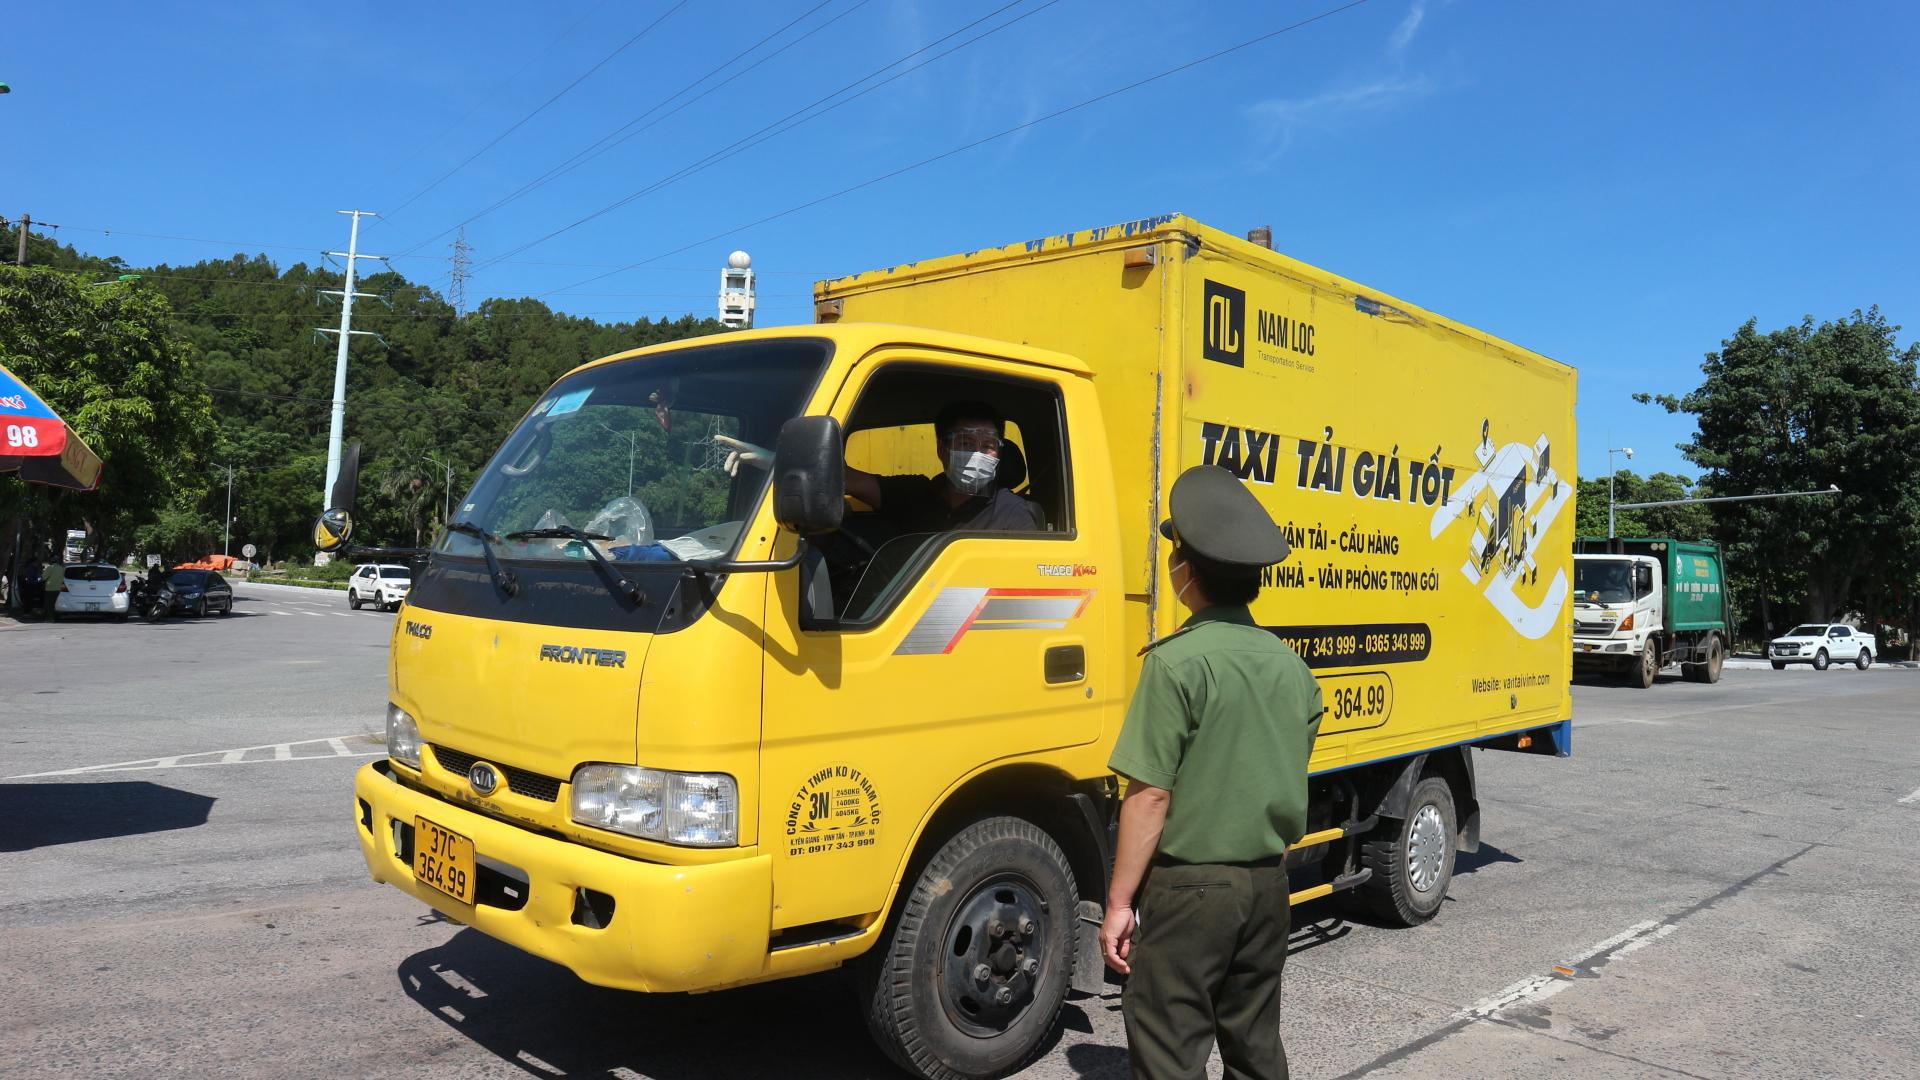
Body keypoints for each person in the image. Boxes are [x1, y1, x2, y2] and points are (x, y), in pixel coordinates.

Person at [1099, 465, 1323, 1080]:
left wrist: (1119, 904)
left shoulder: (1176, 664)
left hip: (1190, 890)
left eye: (1176, 556)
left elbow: (1149, 795)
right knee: (1255, 1046)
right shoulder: (1292, 668)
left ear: (1188, 572)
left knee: (1170, 1047)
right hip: (1267, 886)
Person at [843, 401, 1045, 533]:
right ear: (942, 449)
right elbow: (847, 479)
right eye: (966, 443)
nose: (977, 455)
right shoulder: (916, 494)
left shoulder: (1012, 514)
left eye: (988, 446)